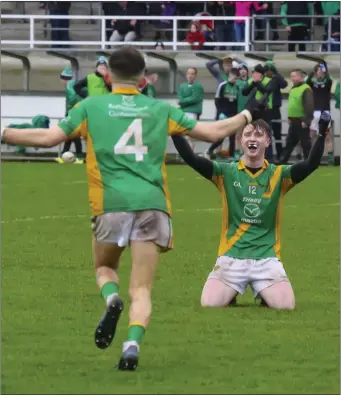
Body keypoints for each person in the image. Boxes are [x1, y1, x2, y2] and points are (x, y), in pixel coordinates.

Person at [1, 46, 266, 372]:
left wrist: (4, 132)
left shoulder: (90, 106)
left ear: (108, 75)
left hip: (110, 204)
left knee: (105, 269)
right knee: (141, 288)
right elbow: (212, 132)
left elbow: (49, 138)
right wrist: (249, 114)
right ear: (143, 79)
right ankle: (131, 345)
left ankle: (111, 299)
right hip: (152, 205)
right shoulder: (159, 108)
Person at [171, 112, 331, 309]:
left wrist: (322, 133)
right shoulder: (226, 172)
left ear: (267, 141)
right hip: (232, 256)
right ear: (240, 141)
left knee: (285, 306)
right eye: (247, 135)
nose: (252, 139)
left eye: (258, 135)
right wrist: (175, 130)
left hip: (266, 258)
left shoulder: (279, 175)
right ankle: (232, 293)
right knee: (209, 304)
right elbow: (191, 158)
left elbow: (310, 164)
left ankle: (265, 292)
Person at [205, 68, 239, 160]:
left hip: (233, 115)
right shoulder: (222, 85)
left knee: (232, 137)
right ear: (229, 76)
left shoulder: (237, 87)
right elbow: (217, 100)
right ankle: (209, 150)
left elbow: (237, 102)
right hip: (223, 115)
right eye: (232, 77)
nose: (234, 79)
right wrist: (220, 113)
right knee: (221, 137)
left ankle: (231, 156)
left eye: (236, 78)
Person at [281, 69, 314, 163]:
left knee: (305, 143)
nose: (292, 78)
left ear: (300, 77)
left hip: (301, 121)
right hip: (293, 120)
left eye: (294, 76)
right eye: (291, 76)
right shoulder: (293, 88)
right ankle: (283, 161)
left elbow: (309, 106)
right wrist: (289, 117)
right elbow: (292, 105)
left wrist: (306, 120)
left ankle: (309, 161)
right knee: (289, 142)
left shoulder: (306, 89)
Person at [56, 67, 86, 164]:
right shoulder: (74, 84)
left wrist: (68, 115)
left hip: (74, 114)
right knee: (70, 135)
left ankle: (80, 157)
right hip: (78, 113)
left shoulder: (69, 86)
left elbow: (72, 100)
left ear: (63, 79)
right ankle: (65, 155)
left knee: (73, 135)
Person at [306, 63, 334, 165]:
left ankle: (330, 159)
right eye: (318, 70)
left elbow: (329, 79)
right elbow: (307, 80)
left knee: (327, 136)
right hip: (315, 112)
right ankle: (314, 158)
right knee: (312, 135)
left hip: (325, 112)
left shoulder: (327, 83)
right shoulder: (312, 84)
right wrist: (313, 72)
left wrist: (324, 69)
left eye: (321, 70)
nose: (320, 72)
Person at [263, 61, 288, 162]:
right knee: (266, 134)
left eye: (270, 70)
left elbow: (284, 84)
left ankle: (279, 155)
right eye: (267, 70)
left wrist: (276, 72)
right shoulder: (263, 80)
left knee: (277, 134)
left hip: (275, 109)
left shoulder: (276, 79)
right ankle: (268, 156)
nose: (268, 72)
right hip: (265, 110)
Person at [177, 67, 204, 151]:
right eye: (189, 73)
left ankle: (190, 153)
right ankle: (183, 153)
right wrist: (184, 101)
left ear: (195, 75)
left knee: (190, 135)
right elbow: (180, 97)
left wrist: (183, 101)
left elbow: (195, 98)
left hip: (193, 112)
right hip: (183, 112)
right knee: (181, 134)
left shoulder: (198, 86)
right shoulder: (182, 86)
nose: (190, 76)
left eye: (192, 74)